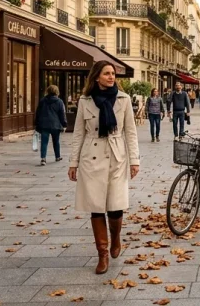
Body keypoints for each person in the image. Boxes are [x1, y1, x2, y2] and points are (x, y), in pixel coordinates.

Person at [68, 61, 140, 275]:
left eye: (113, 74)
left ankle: (115, 237)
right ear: (96, 77)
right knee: (96, 206)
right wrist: (73, 162)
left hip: (116, 156)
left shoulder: (123, 99)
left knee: (115, 205)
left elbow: (131, 131)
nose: (111, 77)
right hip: (91, 157)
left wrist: (134, 160)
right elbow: (78, 133)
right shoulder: (85, 100)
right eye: (107, 73)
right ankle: (102, 254)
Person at [35, 85, 67, 166]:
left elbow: (38, 113)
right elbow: (62, 114)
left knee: (44, 142)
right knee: (56, 141)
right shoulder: (59, 101)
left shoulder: (42, 101)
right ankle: (57, 156)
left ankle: (43, 159)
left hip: (44, 124)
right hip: (55, 124)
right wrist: (64, 124)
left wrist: (36, 123)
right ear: (57, 92)